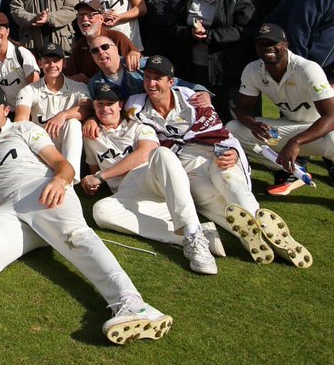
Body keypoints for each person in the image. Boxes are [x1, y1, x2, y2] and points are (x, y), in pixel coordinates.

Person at [0, 84, 172, 344]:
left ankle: (133, 305)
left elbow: (62, 164)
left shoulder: (24, 128)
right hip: (11, 209)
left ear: (6, 110)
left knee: (76, 237)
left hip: (42, 192)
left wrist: (59, 182)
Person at [125, 56, 310, 267]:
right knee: (210, 200)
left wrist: (232, 152)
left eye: (158, 78)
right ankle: (260, 237)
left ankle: (262, 225)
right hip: (184, 167)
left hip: (213, 153)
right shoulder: (137, 107)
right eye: (148, 77)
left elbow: (218, 134)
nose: (151, 83)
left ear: (171, 81)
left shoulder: (192, 99)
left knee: (230, 182)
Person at [81, 82, 224, 275]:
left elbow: (146, 151)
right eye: (100, 104)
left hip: (149, 179)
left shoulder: (138, 125)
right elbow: (93, 169)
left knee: (163, 154)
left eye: (110, 103)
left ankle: (192, 235)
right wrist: (91, 183)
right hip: (126, 194)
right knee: (100, 211)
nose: (105, 109)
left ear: (120, 105)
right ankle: (195, 236)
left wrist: (100, 176)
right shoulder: (90, 135)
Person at [228, 24, 334, 217]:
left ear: (285, 44)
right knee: (234, 129)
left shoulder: (307, 68)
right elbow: (242, 109)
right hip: (293, 127)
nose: (267, 47)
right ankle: (294, 171)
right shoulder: (253, 70)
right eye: (261, 43)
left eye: (273, 43)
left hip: (327, 130)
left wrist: (295, 142)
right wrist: (253, 124)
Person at [174, 0, 256, 120]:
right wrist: (190, 33)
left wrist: (210, 35)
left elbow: (244, 29)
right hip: (195, 67)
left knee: (229, 116)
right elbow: (175, 26)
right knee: (201, 116)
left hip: (227, 68)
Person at [13, 43, 89, 177]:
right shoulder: (28, 90)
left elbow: (87, 108)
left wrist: (63, 115)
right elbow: (21, 121)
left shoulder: (78, 87)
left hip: (69, 145)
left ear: (63, 63)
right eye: (47, 62)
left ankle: (69, 180)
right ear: (40, 64)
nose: (52, 65)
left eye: (56, 61)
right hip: (42, 146)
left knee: (73, 123)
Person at [66, 0, 141, 82]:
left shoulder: (116, 38)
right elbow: (69, 75)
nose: (84, 19)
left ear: (101, 19)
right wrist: (75, 79)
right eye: (80, 15)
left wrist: (134, 53)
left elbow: (137, 58)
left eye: (90, 15)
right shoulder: (79, 46)